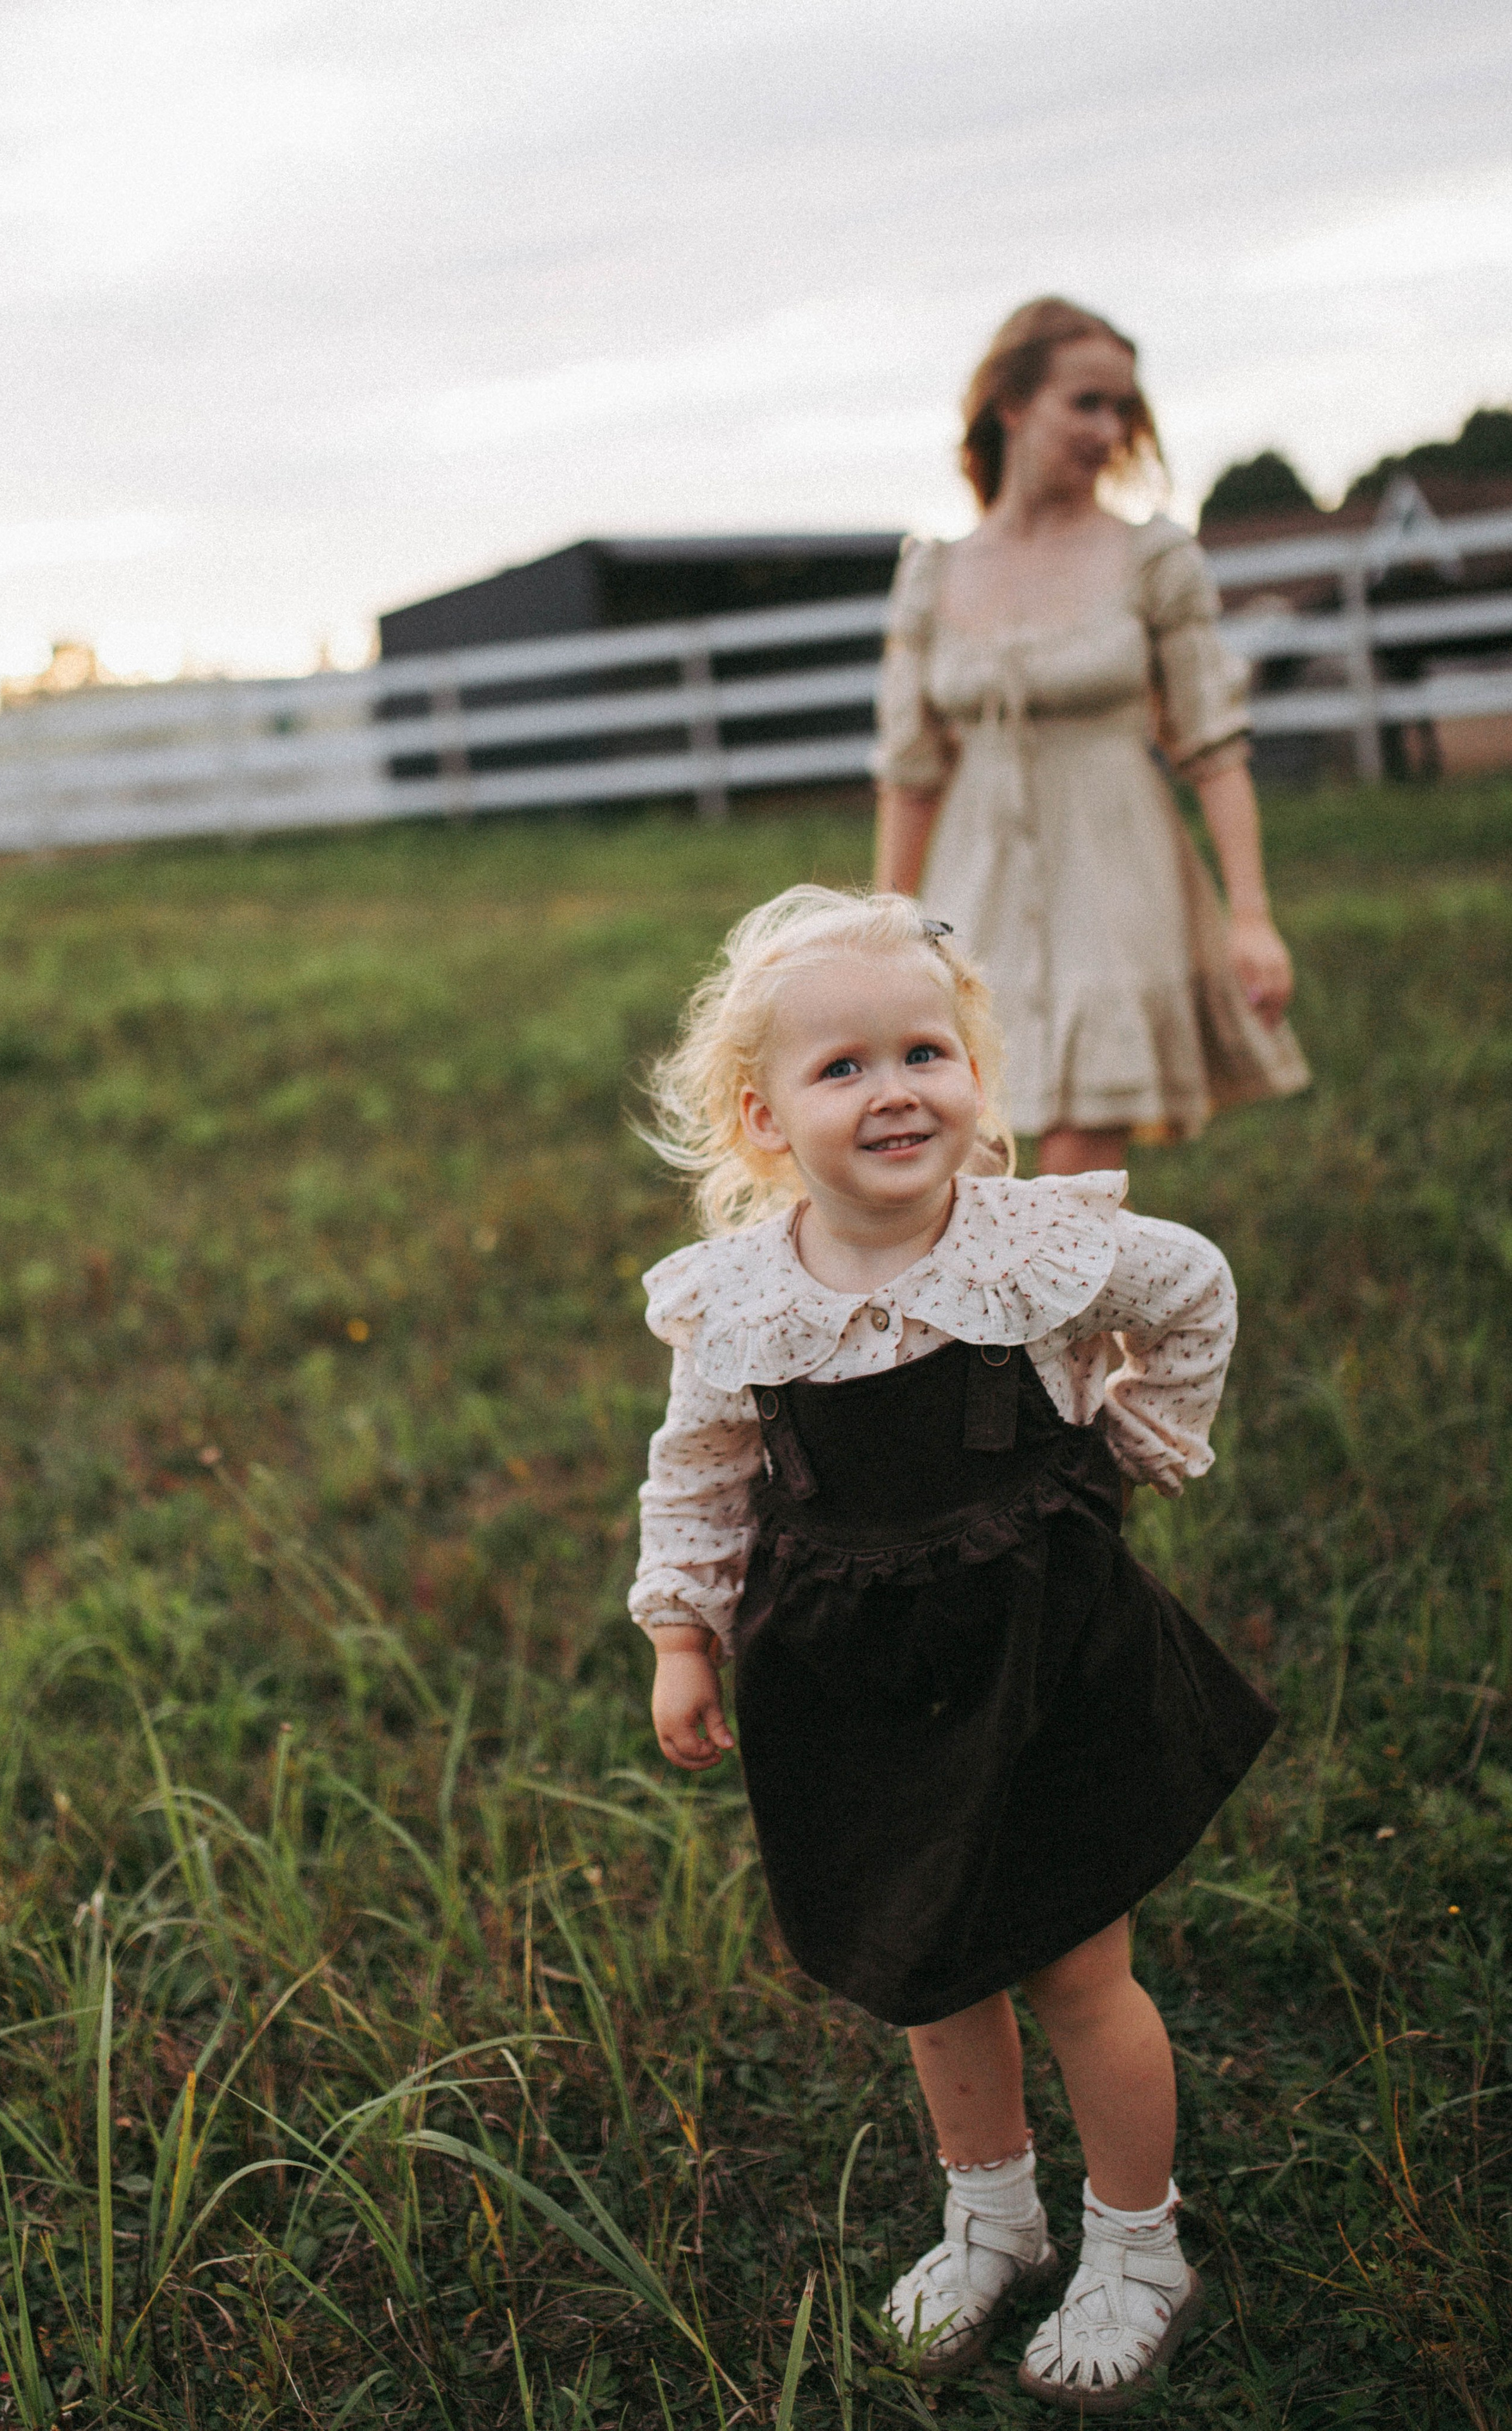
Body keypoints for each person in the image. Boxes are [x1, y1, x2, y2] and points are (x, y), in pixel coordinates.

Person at [630, 886, 1276, 2410]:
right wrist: (679, 1631)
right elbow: (698, 1468)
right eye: (840, 1067)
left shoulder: (1028, 1252)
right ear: (763, 1116)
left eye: (923, 1052)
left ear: (975, 1078)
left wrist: (1136, 1438)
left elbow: (1191, 1291)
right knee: (927, 1966)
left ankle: (1136, 2244)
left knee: (1073, 1966)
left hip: (1042, 1665)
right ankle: (991, 2215)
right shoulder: (738, 1298)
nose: (893, 1091)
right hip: (855, 1688)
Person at [873, 297, 1309, 1176]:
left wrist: (1251, 918)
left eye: (1122, 409)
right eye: (1087, 403)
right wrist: (881, 931)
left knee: (1072, 1187)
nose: (1110, 431)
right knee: (960, 1171)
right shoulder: (932, 574)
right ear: (1012, 405)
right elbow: (911, 774)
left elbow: (1213, 748)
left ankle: (1088, 1277)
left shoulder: (1154, 558)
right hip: (973, 888)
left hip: (1116, 885)